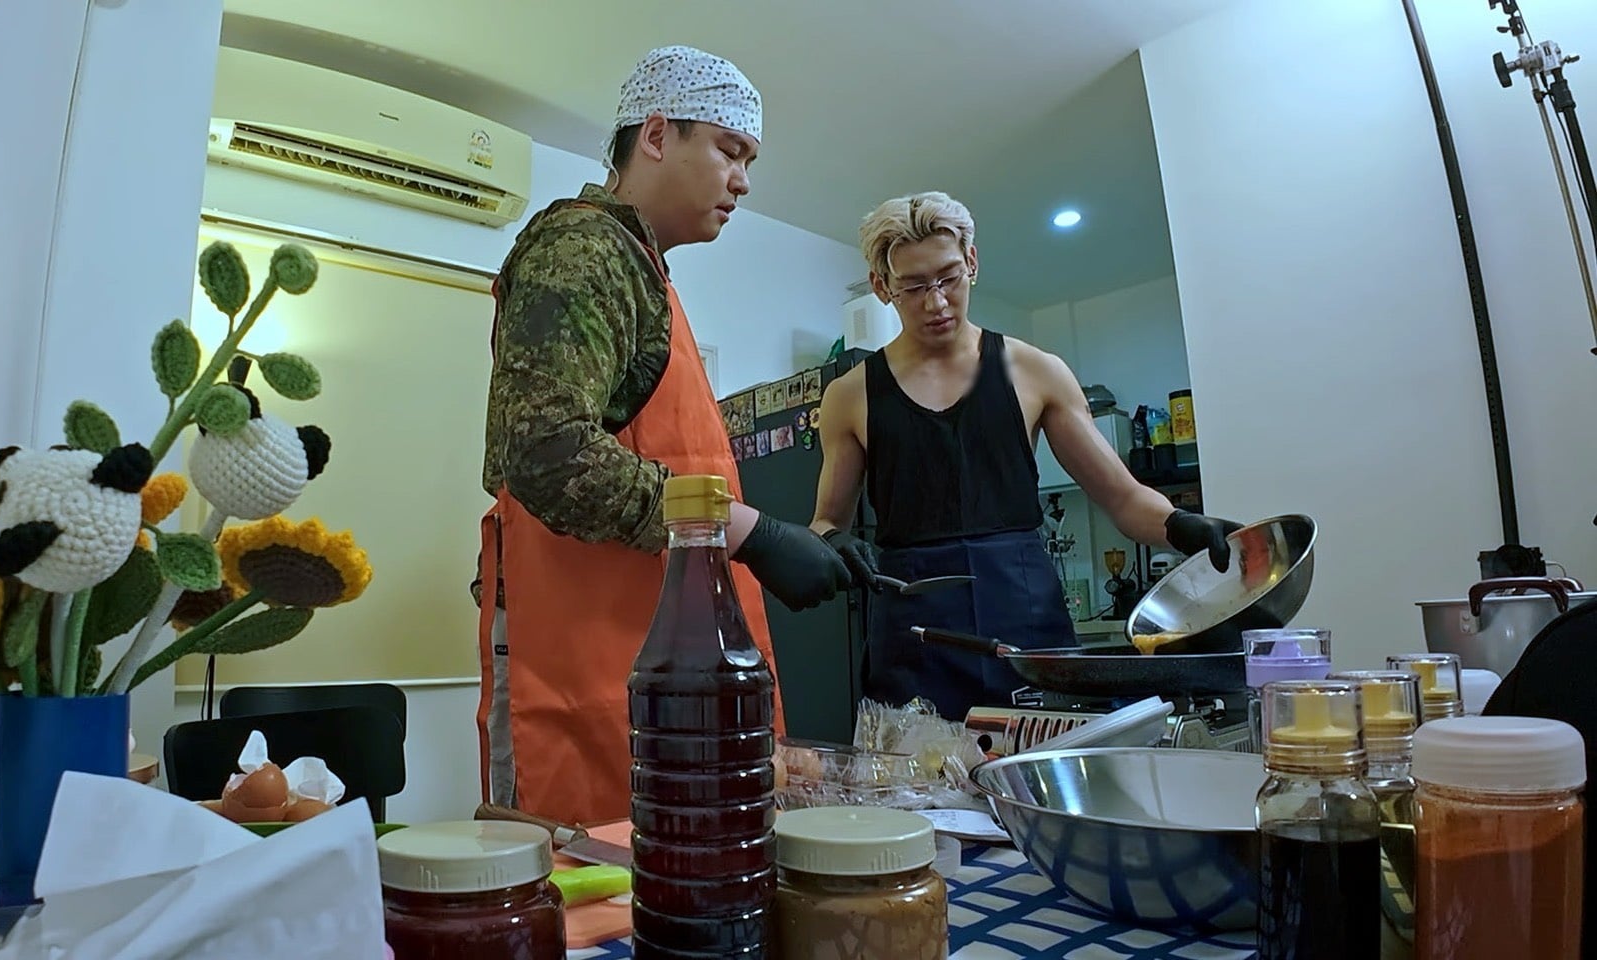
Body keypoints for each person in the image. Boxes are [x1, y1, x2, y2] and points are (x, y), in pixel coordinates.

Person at [475, 45, 852, 824]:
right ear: (654, 135)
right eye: (729, 150)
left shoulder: (644, 272)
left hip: (653, 657)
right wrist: (750, 532)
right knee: (596, 875)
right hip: (582, 649)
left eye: (749, 160)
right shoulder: (583, 249)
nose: (744, 180)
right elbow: (546, 453)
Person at [811, 191, 1242, 721]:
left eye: (949, 278)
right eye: (914, 287)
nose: (937, 303)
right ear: (882, 287)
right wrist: (832, 541)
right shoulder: (850, 396)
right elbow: (826, 521)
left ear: (972, 262)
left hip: (1025, 623)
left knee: (1042, 761)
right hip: (914, 632)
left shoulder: (1037, 372)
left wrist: (1181, 526)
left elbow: (1123, 498)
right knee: (917, 772)